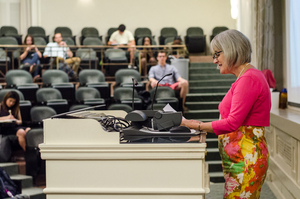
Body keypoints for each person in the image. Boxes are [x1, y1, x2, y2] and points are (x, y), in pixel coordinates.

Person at [181, 29, 271, 198]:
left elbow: (232, 123)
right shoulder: (245, 77)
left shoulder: (248, 79)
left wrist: (192, 124)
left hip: (245, 160)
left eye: (217, 54)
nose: (215, 60)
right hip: (240, 159)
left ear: (231, 50)